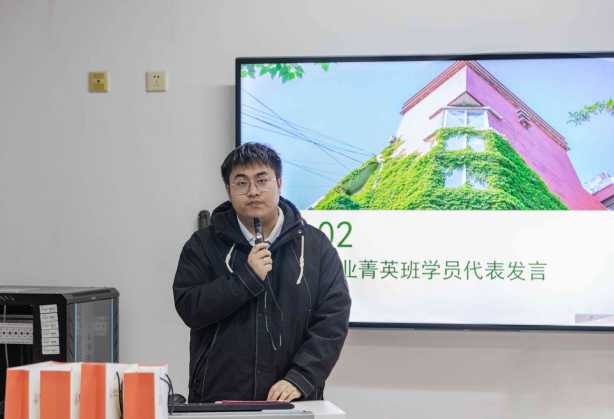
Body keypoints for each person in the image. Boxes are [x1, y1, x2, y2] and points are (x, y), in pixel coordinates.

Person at [172, 142, 351, 402]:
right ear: (228, 189)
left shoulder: (315, 246)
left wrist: (301, 377)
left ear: (279, 183)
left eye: (262, 180)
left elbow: (332, 320)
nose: (253, 191)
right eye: (241, 183)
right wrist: (245, 279)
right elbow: (189, 307)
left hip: (291, 401)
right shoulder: (203, 245)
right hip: (218, 399)